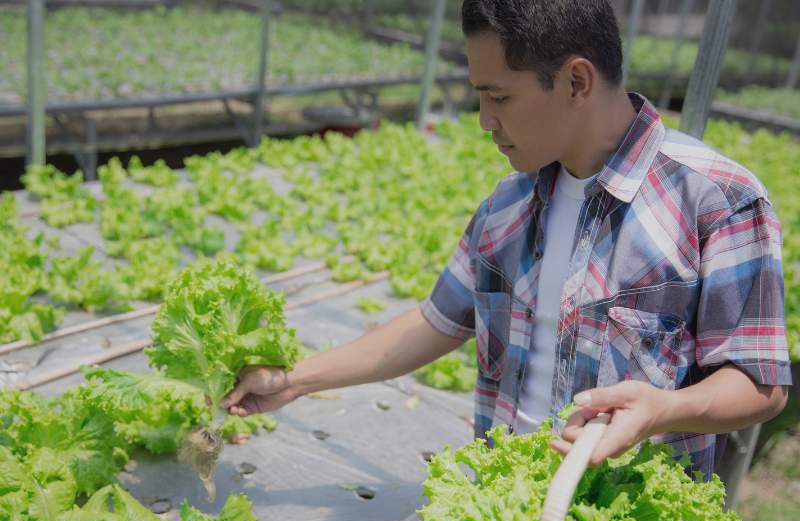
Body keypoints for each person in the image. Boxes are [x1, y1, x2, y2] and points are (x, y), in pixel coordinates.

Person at [222, 0, 790, 479]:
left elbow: (760, 386)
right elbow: (437, 322)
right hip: (507, 503)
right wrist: (294, 381)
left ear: (576, 81)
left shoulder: (715, 199)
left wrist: (666, 410)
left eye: (498, 97)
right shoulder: (509, 204)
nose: (482, 119)